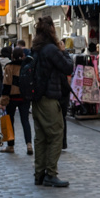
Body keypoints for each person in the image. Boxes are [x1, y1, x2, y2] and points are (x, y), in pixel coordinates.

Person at [31, 16, 74, 187]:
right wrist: (64, 51)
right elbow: (68, 67)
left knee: (41, 137)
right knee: (56, 134)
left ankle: (39, 174)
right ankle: (50, 173)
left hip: (37, 97)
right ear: (51, 30)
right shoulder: (51, 49)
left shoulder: (36, 48)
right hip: (49, 97)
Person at [1, 48, 33, 155]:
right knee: (25, 121)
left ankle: (11, 146)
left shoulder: (9, 67)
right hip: (25, 97)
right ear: (23, 55)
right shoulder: (27, 66)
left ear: (12, 56)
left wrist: (4, 99)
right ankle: (29, 144)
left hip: (12, 98)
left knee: (10, 121)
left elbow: (6, 84)